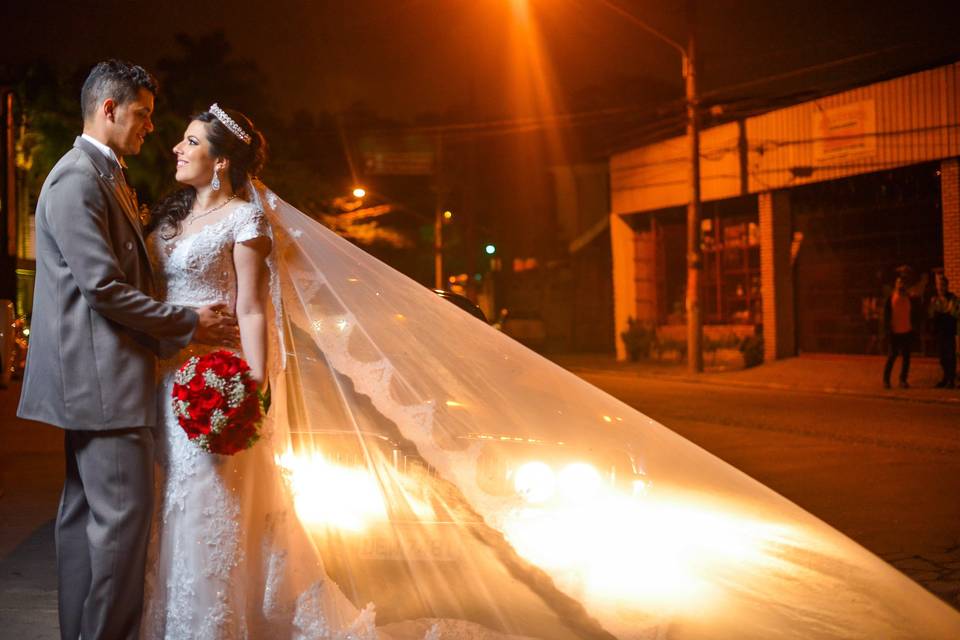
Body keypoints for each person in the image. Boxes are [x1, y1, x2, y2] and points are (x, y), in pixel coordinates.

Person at [16, 60, 236, 640]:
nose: (150, 130)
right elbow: (105, 289)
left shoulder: (106, 175)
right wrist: (187, 322)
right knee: (120, 529)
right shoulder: (76, 180)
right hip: (103, 385)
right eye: (142, 115)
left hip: (100, 381)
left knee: (86, 525)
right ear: (109, 110)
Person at [882, 275, 922, 388]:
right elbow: (886, 317)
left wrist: (914, 327)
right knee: (892, 356)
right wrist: (887, 330)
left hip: (907, 332)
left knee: (906, 358)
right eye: (898, 282)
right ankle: (886, 380)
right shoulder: (891, 299)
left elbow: (916, 313)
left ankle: (903, 380)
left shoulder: (910, 298)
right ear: (895, 284)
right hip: (894, 333)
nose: (901, 284)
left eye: (903, 283)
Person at [929, 272, 958, 388]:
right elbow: (931, 316)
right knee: (942, 358)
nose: (941, 287)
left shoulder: (953, 298)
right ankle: (945, 378)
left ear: (947, 286)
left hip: (950, 332)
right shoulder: (935, 299)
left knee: (950, 356)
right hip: (940, 333)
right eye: (940, 285)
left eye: (943, 285)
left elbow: (955, 313)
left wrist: (951, 310)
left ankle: (951, 380)